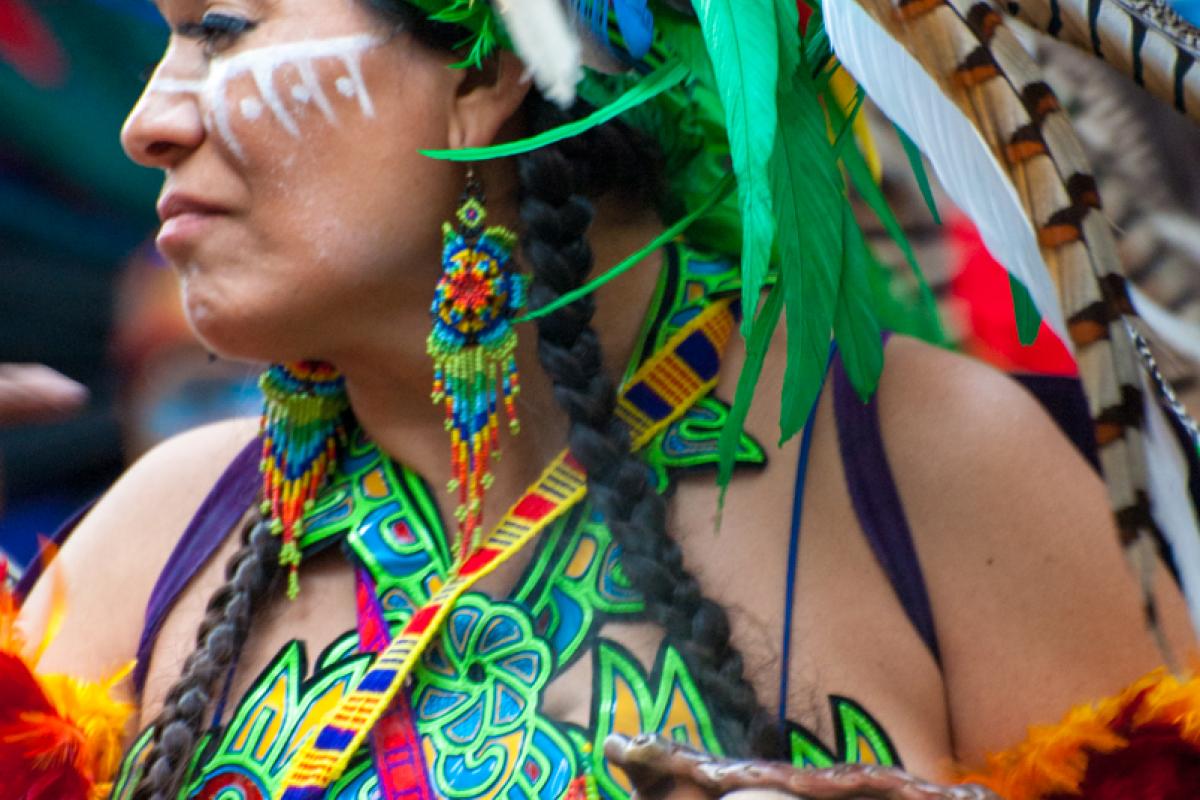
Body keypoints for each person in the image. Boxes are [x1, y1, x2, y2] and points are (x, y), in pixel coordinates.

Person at [8, 0, 1200, 799]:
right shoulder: (155, 535)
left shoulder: (942, 475)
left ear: (483, 66)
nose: (148, 120)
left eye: (222, 30)